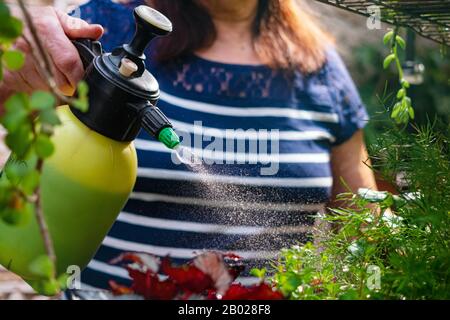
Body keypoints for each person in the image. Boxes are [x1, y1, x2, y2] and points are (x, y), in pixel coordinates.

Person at [0, 0, 377, 289]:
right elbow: (11, 101)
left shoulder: (320, 68)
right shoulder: (102, 31)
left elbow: (364, 226)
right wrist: (13, 66)